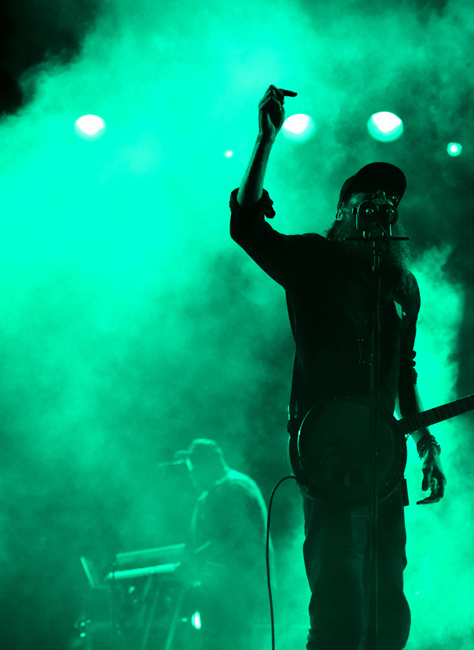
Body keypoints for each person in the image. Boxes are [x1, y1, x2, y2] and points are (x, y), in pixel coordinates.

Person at [229, 84, 447, 650]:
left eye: (389, 204)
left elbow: (406, 375)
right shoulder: (312, 262)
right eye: (368, 201)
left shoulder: (402, 286)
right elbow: (249, 227)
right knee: (337, 591)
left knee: (386, 594)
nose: (381, 209)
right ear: (344, 212)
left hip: (383, 454)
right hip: (327, 450)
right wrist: (265, 139)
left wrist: (426, 442)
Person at [174, 438, 270, 650]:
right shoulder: (212, 493)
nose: (191, 475)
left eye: (194, 468)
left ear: (211, 464)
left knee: (234, 642)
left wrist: (198, 558)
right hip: (224, 590)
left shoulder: (234, 487)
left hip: (241, 587)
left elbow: (233, 534)